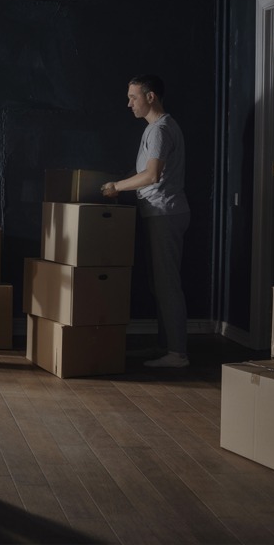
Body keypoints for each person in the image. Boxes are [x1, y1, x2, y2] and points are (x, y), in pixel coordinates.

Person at [102, 74, 191, 369]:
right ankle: (167, 346)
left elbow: (151, 176)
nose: (129, 103)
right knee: (160, 283)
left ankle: (177, 353)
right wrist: (120, 183)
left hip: (165, 213)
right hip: (160, 212)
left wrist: (117, 187)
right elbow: (144, 172)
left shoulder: (160, 130)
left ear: (150, 97)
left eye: (133, 97)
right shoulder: (155, 129)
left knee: (167, 284)